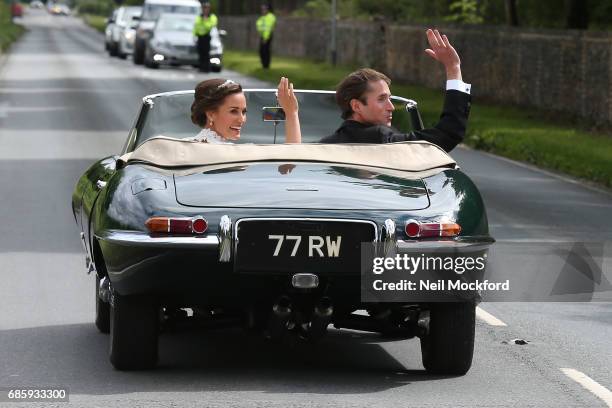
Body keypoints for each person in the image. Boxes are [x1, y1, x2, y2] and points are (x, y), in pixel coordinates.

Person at [320, 29, 471, 153]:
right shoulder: (380, 138)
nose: (391, 107)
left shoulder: (325, 146)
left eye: (390, 99)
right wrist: (453, 68)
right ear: (356, 106)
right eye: (381, 99)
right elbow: (447, 134)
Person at [190, 77, 300, 144]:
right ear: (211, 114)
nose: (242, 119)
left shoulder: (187, 144)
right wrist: (292, 113)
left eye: (244, 112)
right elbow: (292, 160)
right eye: (233, 111)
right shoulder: (233, 153)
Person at [193, 2, 218, 73]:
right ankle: (201, 67)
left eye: (207, 8)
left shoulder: (212, 17)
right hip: (200, 37)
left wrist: (205, 21)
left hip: (207, 37)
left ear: (209, 9)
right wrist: (194, 35)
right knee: (200, 53)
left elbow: (211, 25)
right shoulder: (199, 17)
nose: (205, 10)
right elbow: (196, 26)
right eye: (204, 8)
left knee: (206, 53)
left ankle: (207, 68)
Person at [256, 3, 276, 69]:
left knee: (265, 51)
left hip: (267, 36)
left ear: (267, 10)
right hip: (263, 36)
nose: (262, 10)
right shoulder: (262, 17)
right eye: (262, 9)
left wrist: (265, 38)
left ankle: (266, 66)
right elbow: (259, 25)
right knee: (261, 51)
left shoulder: (270, 17)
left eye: (264, 9)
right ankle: (264, 65)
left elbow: (268, 28)